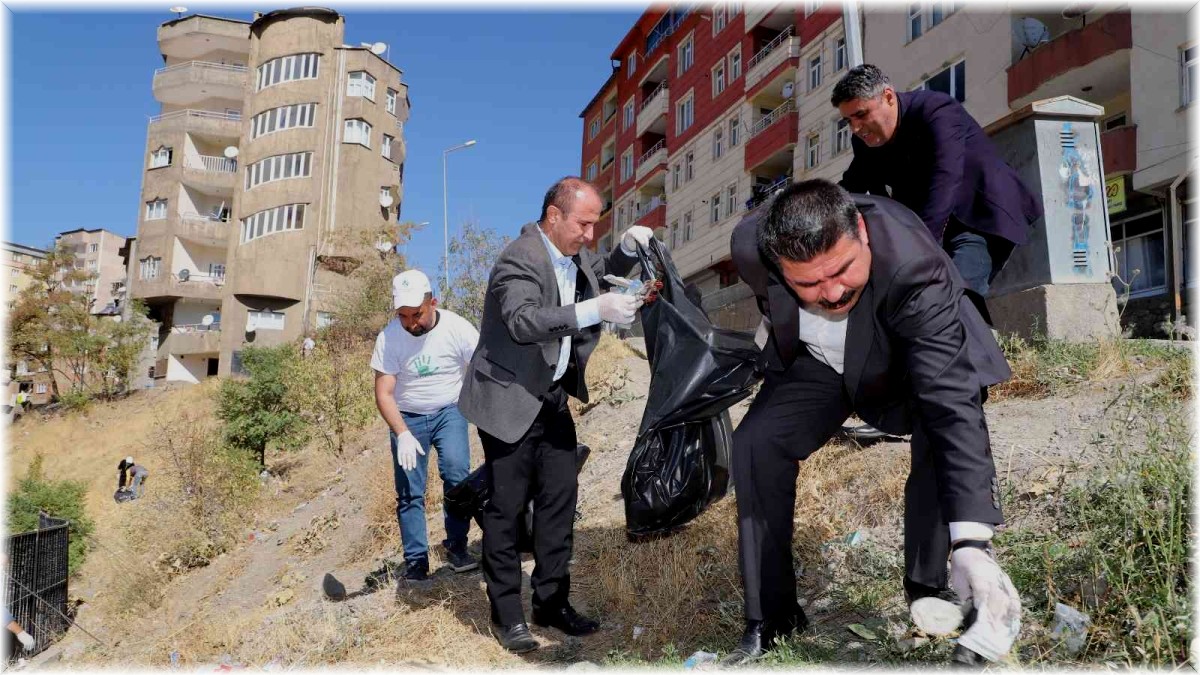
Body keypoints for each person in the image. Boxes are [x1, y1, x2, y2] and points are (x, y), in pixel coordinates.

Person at [724, 180, 1021, 664]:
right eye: (808, 284)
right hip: (819, 363)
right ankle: (771, 616)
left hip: (908, 353)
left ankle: (929, 588)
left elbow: (951, 405)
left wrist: (972, 540)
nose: (833, 292)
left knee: (934, 435)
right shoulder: (750, 248)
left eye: (842, 270)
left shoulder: (912, 263)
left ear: (860, 230)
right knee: (756, 443)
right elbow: (769, 303)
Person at [457, 176, 654, 654]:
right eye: (584, 224)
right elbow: (524, 321)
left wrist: (627, 248)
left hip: (550, 401)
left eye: (596, 225)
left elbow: (600, 268)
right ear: (554, 216)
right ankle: (507, 615)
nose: (591, 234)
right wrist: (593, 310)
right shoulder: (519, 258)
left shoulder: (574, 254)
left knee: (559, 502)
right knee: (505, 512)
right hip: (508, 402)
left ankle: (550, 603)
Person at [832, 64, 1042, 315]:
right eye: (849, 121)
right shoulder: (864, 140)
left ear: (888, 97)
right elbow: (854, 184)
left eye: (862, 114)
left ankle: (972, 349)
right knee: (909, 301)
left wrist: (919, 248)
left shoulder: (936, 110)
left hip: (978, 215)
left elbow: (946, 178)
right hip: (929, 223)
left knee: (954, 296)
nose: (856, 128)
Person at [371, 270, 480, 583]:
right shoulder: (389, 338)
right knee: (409, 493)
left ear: (433, 302)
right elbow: (384, 393)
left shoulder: (458, 328)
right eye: (402, 316)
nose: (410, 323)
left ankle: (457, 547)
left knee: (458, 476)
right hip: (408, 417)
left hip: (450, 411)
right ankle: (416, 561)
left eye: (416, 314)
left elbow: (482, 369)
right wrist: (402, 433)